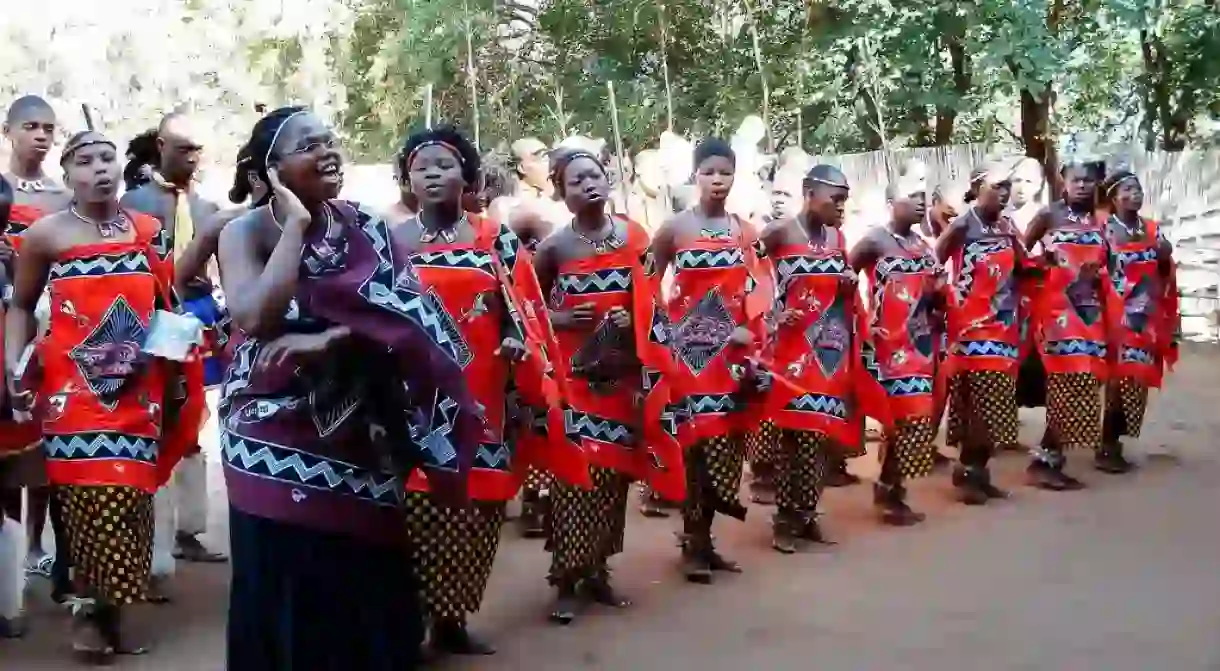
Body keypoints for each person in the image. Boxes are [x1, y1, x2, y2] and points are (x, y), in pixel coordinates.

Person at [216, 107, 482, 671]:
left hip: (357, 424)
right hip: (267, 431)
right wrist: (294, 227)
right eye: (307, 145)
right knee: (287, 572)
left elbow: (413, 319)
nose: (327, 151)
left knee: (360, 570)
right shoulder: (243, 231)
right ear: (270, 168)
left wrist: (335, 336)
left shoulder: (366, 227)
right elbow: (256, 317)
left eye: (329, 140)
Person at [5, 130, 206, 662]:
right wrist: (12, 363)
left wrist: (174, 353)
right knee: (85, 505)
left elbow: (167, 299)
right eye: (85, 161)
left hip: (139, 390)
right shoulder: (47, 235)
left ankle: (111, 613)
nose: (99, 169)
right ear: (67, 175)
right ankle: (89, 615)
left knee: (131, 501)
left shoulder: (148, 231)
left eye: (106, 159)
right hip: (71, 392)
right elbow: (23, 305)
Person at [389, 126, 570, 655]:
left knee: (478, 508)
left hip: (484, 394)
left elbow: (526, 308)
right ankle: (416, 621)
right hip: (413, 398)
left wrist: (517, 342)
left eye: (445, 165)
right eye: (422, 167)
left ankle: (453, 619)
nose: (433, 174)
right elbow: (374, 313)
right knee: (419, 510)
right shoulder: (394, 241)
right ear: (408, 179)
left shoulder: (493, 237)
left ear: (466, 176)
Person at [533, 147, 681, 624]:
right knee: (577, 475)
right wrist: (558, 315)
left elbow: (654, 304)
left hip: (621, 379)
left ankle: (596, 571)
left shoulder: (636, 238)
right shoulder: (554, 248)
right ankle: (565, 579)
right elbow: (526, 309)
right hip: (575, 380)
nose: (587, 185)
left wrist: (633, 326)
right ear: (561, 193)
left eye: (594, 175)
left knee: (613, 479)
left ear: (608, 179)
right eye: (575, 181)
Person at [649, 138, 770, 582]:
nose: (717, 180)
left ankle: (704, 539)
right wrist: (669, 335)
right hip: (690, 359)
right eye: (709, 172)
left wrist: (755, 341)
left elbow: (760, 290)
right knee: (696, 452)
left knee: (726, 452)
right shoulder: (673, 229)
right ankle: (692, 543)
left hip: (734, 359)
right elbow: (646, 288)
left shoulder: (745, 232)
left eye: (725, 173)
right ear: (694, 175)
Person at [119, 114, 226, 600]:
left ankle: (186, 532)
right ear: (161, 146)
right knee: (155, 427)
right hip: (148, 324)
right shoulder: (132, 204)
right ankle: (151, 555)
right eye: (185, 148)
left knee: (191, 423)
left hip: (196, 322)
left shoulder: (206, 207)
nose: (193, 157)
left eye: (198, 149)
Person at [758, 164, 864, 552]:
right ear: (809, 193)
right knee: (794, 435)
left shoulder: (838, 237)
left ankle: (807, 513)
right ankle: (785, 519)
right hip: (790, 352)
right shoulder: (779, 232)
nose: (841, 208)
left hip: (829, 352)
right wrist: (770, 313)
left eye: (844, 201)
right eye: (835, 199)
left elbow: (841, 285)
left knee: (820, 435)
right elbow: (747, 274)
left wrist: (848, 285)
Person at [850, 178, 948, 525]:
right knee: (901, 418)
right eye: (912, 196)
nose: (921, 202)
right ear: (892, 201)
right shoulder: (876, 240)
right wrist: (863, 320)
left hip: (920, 343)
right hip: (888, 345)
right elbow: (846, 276)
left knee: (918, 417)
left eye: (924, 196)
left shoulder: (922, 245)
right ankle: (889, 491)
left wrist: (939, 300)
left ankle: (892, 487)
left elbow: (938, 291)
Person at [2, 95, 70, 583]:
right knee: (10, 438)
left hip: (53, 326)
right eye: (31, 126)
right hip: (7, 320)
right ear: (9, 131)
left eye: (49, 127)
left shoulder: (64, 196)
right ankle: (8, 549)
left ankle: (34, 543)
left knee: (48, 438)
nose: (41, 135)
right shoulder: (1, 188)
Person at [1021, 162, 1120, 490]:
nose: (1083, 186)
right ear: (1063, 183)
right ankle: (1045, 461)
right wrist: (1041, 264)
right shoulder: (1049, 216)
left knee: (1086, 381)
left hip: (1091, 313)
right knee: (1069, 378)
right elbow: (1019, 256)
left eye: (1089, 181)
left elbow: (1114, 264)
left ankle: (1051, 456)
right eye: (1076, 180)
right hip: (1057, 312)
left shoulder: (1101, 222)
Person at [935, 164, 1026, 504]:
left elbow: (1024, 263)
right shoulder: (963, 223)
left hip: (1003, 326)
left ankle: (979, 471)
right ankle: (968, 472)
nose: (1004, 192)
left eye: (1007, 186)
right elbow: (934, 261)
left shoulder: (1007, 226)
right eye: (996, 185)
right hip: (972, 328)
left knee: (997, 403)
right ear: (976, 188)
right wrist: (946, 298)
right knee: (979, 405)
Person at [1098, 169, 1177, 472]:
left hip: (1145, 317)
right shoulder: (1104, 230)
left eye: (1138, 189)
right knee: (1120, 379)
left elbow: (1165, 267)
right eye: (1128, 189)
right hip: (1115, 315)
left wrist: (1163, 256)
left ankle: (1113, 442)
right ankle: (1106, 446)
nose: (1135, 194)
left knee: (1136, 381)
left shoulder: (1152, 229)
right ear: (1114, 197)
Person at [0, 174, 44, 639]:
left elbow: (28, 316)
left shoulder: (16, 256)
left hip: (8, 396)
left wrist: (13, 272)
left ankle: (8, 603)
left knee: (10, 497)